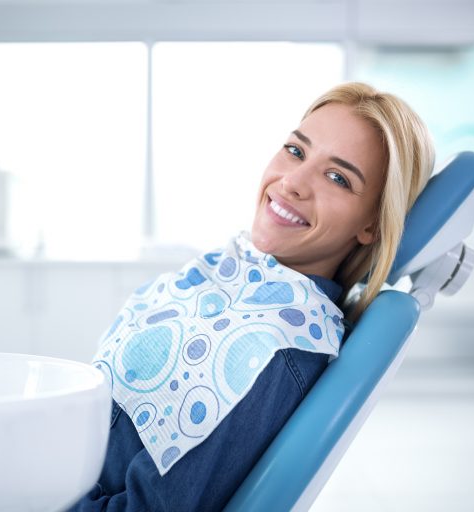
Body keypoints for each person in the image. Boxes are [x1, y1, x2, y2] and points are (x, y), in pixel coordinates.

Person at [69, 82, 435, 511]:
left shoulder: (270, 349)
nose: (292, 182)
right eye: (296, 151)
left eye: (337, 177)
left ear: (371, 225)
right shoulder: (230, 275)